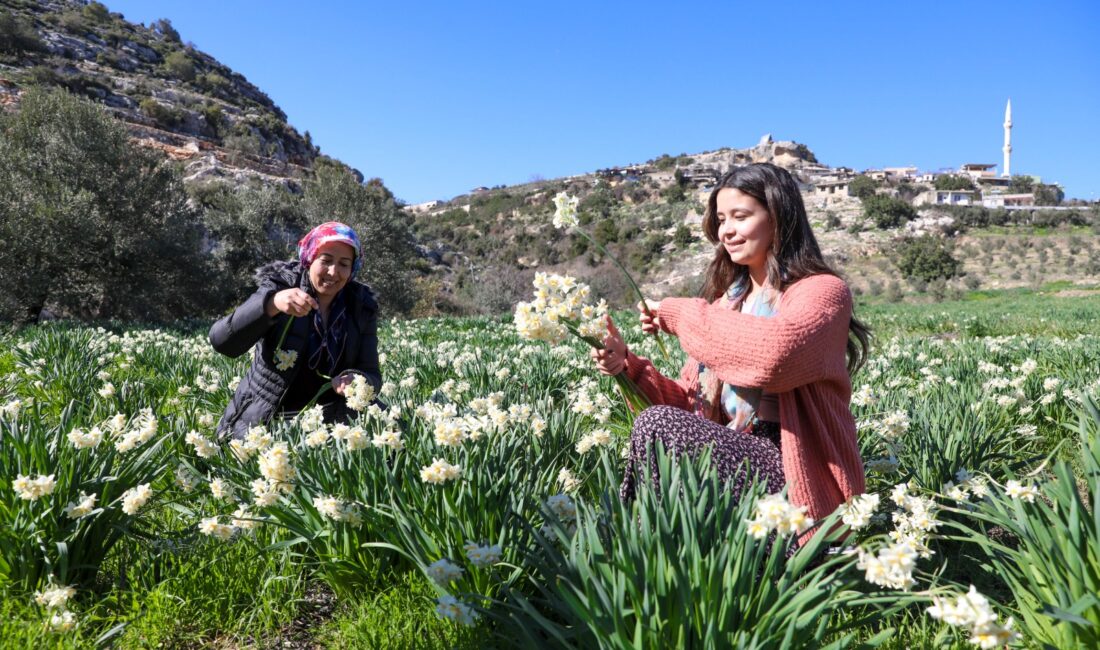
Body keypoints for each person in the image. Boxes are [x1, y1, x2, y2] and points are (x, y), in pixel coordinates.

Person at [592, 163, 870, 536]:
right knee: (658, 422)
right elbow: (686, 408)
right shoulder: (729, 304)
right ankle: (651, 561)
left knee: (656, 426)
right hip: (734, 454)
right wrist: (627, 366)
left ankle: (639, 555)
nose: (727, 230)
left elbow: (775, 356)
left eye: (740, 216)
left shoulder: (821, 292)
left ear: (778, 218)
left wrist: (678, 314)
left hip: (791, 471)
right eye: (721, 219)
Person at [210, 221, 382, 439]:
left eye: (344, 264)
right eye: (326, 260)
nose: (333, 271)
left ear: (352, 269)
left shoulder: (361, 307)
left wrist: (356, 378)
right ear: (310, 258)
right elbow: (222, 341)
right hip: (268, 420)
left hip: (332, 422)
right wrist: (271, 304)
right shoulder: (281, 287)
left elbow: (372, 373)